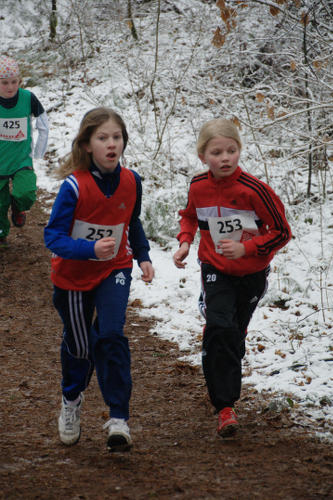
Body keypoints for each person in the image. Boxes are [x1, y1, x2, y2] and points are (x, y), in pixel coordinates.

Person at [44, 107, 154, 452]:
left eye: (117, 137)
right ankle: (71, 398)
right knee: (79, 347)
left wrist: (143, 255)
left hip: (115, 269)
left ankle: (118, 417)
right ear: (87, 144)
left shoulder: (132, 180)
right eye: (103, 138)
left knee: (110, 333)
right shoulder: (74, 187)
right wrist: (89, 248)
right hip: (73, 276)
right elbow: (53, 237)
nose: (111, 144)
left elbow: (131, 222)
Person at [173, 118, 291, 438]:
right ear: (203, 156)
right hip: (214, 269)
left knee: (233, 335)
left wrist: (247, 248)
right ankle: (225, 406)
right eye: (216, 152)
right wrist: (185, 241)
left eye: (231, 150)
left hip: (252, 274)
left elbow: (281, 232)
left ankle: (225, 352)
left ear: (239, 151)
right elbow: (189, 214)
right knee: (220, 327)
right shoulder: (199, 185)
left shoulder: (255, 190)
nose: (225, 158)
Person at [0, 55, 48, 248]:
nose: (10, 87)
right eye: (4, 83)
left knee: (26, 192)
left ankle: (19, 208)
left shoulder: (28, 98)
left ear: (19, 81)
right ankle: (1, 235)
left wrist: (37, 153)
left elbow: (43, 123)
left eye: (14, 82)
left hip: (22, 160)